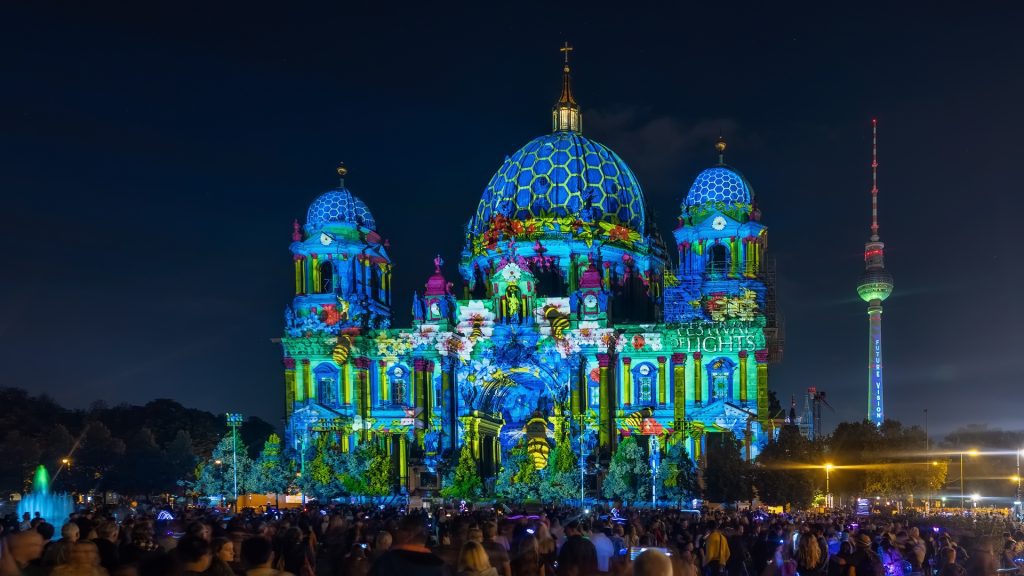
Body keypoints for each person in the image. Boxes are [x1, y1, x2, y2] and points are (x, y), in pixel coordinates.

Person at [369, 516, 451, 576]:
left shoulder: (387, 563)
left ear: (410, 534)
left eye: (399, 528)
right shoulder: (441, 567)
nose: (396, 532)